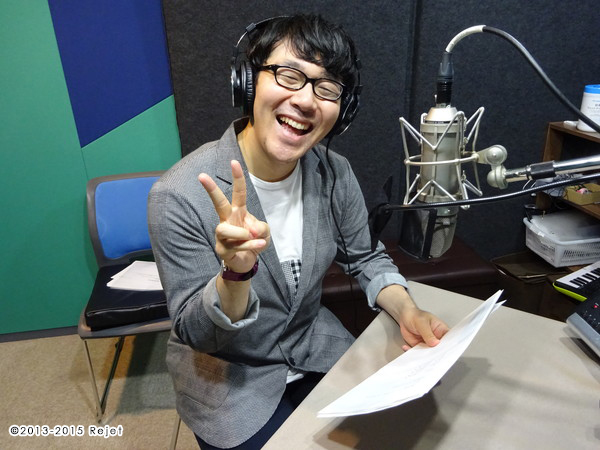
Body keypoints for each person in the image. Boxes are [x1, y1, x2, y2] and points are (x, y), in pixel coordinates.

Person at [148, 14, 449, 449]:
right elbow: (199, 335)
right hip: (231, 379)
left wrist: (408, 311)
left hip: (314, 348)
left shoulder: (333, 173)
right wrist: (235, 275)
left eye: (327, 88)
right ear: (247, 83)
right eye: (289, 75)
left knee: (399, 431)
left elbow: (365, 257)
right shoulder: (178, 195)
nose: (307, 101)